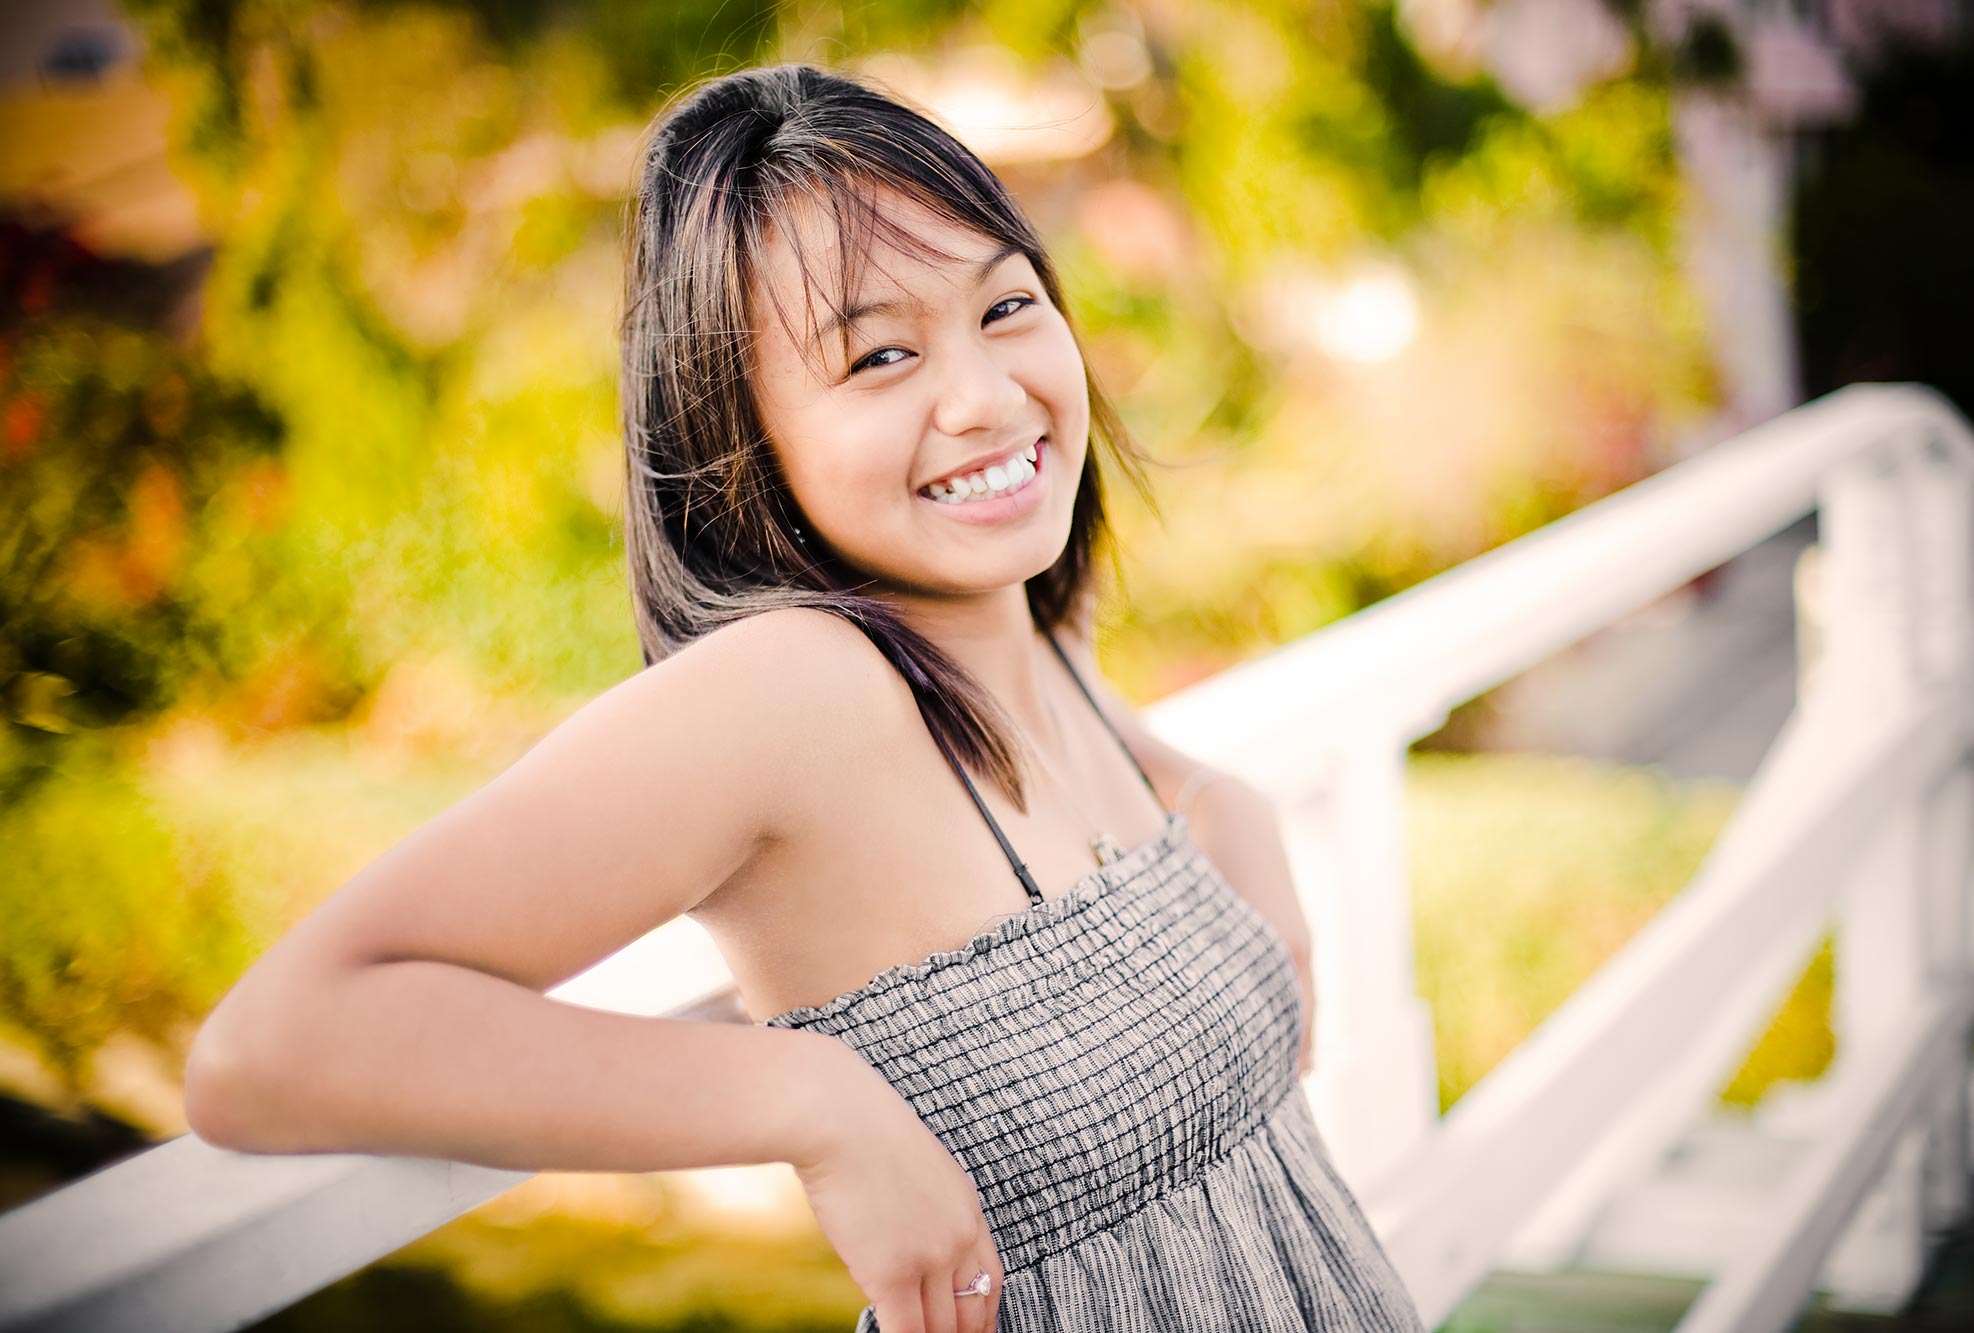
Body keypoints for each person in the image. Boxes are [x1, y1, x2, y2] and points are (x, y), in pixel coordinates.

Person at [183, 61, 1426, 1333]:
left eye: (1003, 307)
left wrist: (1231, 807)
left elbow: (1128, 764)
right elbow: (274, 1045)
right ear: (742, 435)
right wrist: (809, 1101)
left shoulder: (1021, 635)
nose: (985, 397)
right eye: (878, 354)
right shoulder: (793, 692)